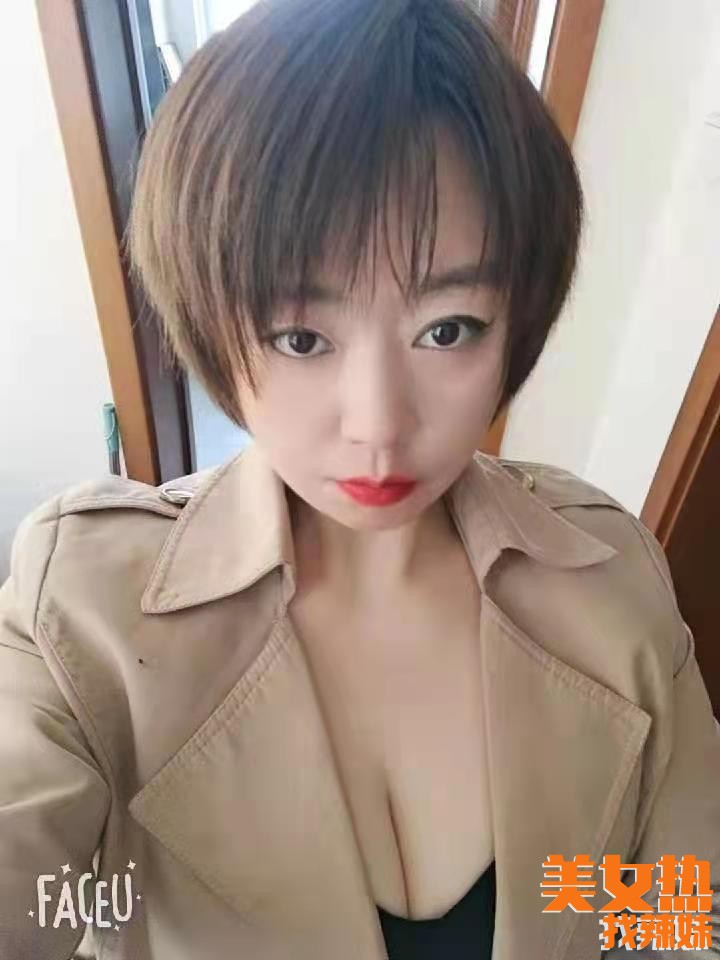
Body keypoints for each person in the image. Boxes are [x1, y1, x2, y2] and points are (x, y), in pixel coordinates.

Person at [1, 0, 719, 957]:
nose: (379, 424)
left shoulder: (611, 575)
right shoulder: (80, 610)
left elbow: (677, 915)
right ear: (210, 324)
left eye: (448, 329)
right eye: (301, 338)